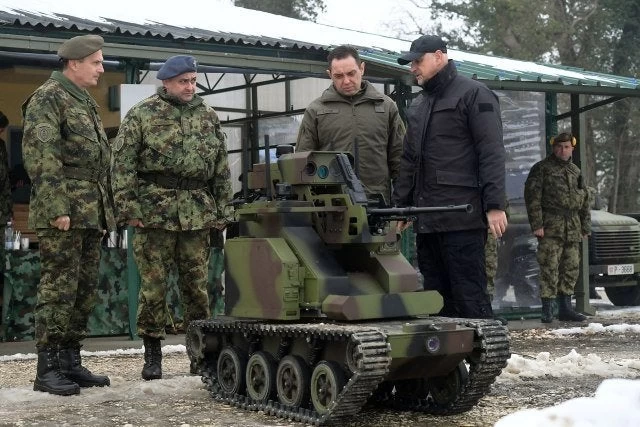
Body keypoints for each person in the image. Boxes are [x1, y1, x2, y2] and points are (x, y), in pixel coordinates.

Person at [112, 55, 232, 380]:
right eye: (183, 81)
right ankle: (153, 356)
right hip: (155, 213)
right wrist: (128, 209)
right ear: (166, 82)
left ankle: (199, 355)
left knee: (196, 288)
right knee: (153, 287)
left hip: (197, 213)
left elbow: (221, 167)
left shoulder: (208, 116)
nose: (190, 86)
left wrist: (224, 209)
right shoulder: (142, 114)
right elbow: (122, 165)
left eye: (193, 80)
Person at [22, 35, 115, 395]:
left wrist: (105, 210)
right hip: (65, 211)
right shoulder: (48, 97)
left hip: (90, 211)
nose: (101, 69)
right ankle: (47, 369)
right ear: (74, 63)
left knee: (83, 289)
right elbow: (43, 158)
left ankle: (70, 363)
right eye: (97, 62)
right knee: (59, 289)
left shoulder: (82, 100)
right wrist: (58, 207)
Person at [393, 35, 508, 319]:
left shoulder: (475, 94)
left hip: (462, 218)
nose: (413, 68)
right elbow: (409, 160)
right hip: (428, 220)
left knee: (470, 297)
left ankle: (484, 360)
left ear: (439, 56)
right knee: (437, 303)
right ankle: (449, 364)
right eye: (411, 63)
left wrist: (494, 205)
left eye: (418, 61)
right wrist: (400, 206)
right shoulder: (419, 106)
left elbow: (491, 151)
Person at [296, 45, 405, 205]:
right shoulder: (316, 110)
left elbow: (400, 157)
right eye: (338, 76)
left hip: (378, 205)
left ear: (362, 69)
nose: (346, 81)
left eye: (351, 73)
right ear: (329, 75)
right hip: (332, 207)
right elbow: (302, 161)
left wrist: (404, 201)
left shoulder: (386, 106)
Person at [524, 132, 590, 323]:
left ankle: (565, 308)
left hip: (573, 226)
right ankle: (548, 309)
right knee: (549, 266)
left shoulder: (576, 171)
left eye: (567, 147)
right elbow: (532, 197)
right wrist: (537, 225)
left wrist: (585, 227)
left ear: (572, 148)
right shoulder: (542, 169)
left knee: (571, 267)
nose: (563, 150)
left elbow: (585, 199)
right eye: (559, 146)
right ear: (553, 147)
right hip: (551, 225)